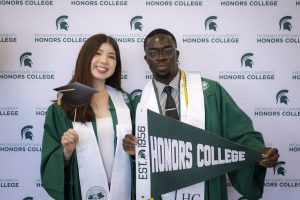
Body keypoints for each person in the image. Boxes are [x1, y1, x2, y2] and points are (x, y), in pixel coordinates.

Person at [123, 28, 279, 200]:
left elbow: (240, 135)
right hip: (160, 192)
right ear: (146, 60)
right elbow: (138, 156)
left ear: (177, 54)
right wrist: (132, 149)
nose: (161, 57)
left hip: (206, 188)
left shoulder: (210, 93)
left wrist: (259, 153)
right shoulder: (139, 103)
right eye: (153, 53)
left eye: (167, 51)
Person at [40, 34, 134, 200]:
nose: (104, 60)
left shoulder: (127, 104)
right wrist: (67, 151)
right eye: (97, 53)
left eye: (111, 56)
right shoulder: (62, 108)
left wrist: (135, 150)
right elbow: (50, 167)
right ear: (85, 58)